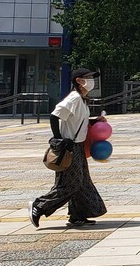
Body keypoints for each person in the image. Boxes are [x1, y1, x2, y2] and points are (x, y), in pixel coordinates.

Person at [30, 68, 108, 228]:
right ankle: (39, 206)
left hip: (78, 146)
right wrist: (59, 138)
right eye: (88, 77)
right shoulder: (74, 98)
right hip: (69, 147)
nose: (92, 81)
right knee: (70, 183)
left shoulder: (82, 100)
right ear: (79, 81)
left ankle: (78, 215)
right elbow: (54, 115)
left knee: (82, 182)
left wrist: (95, 121)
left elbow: (78, 122)